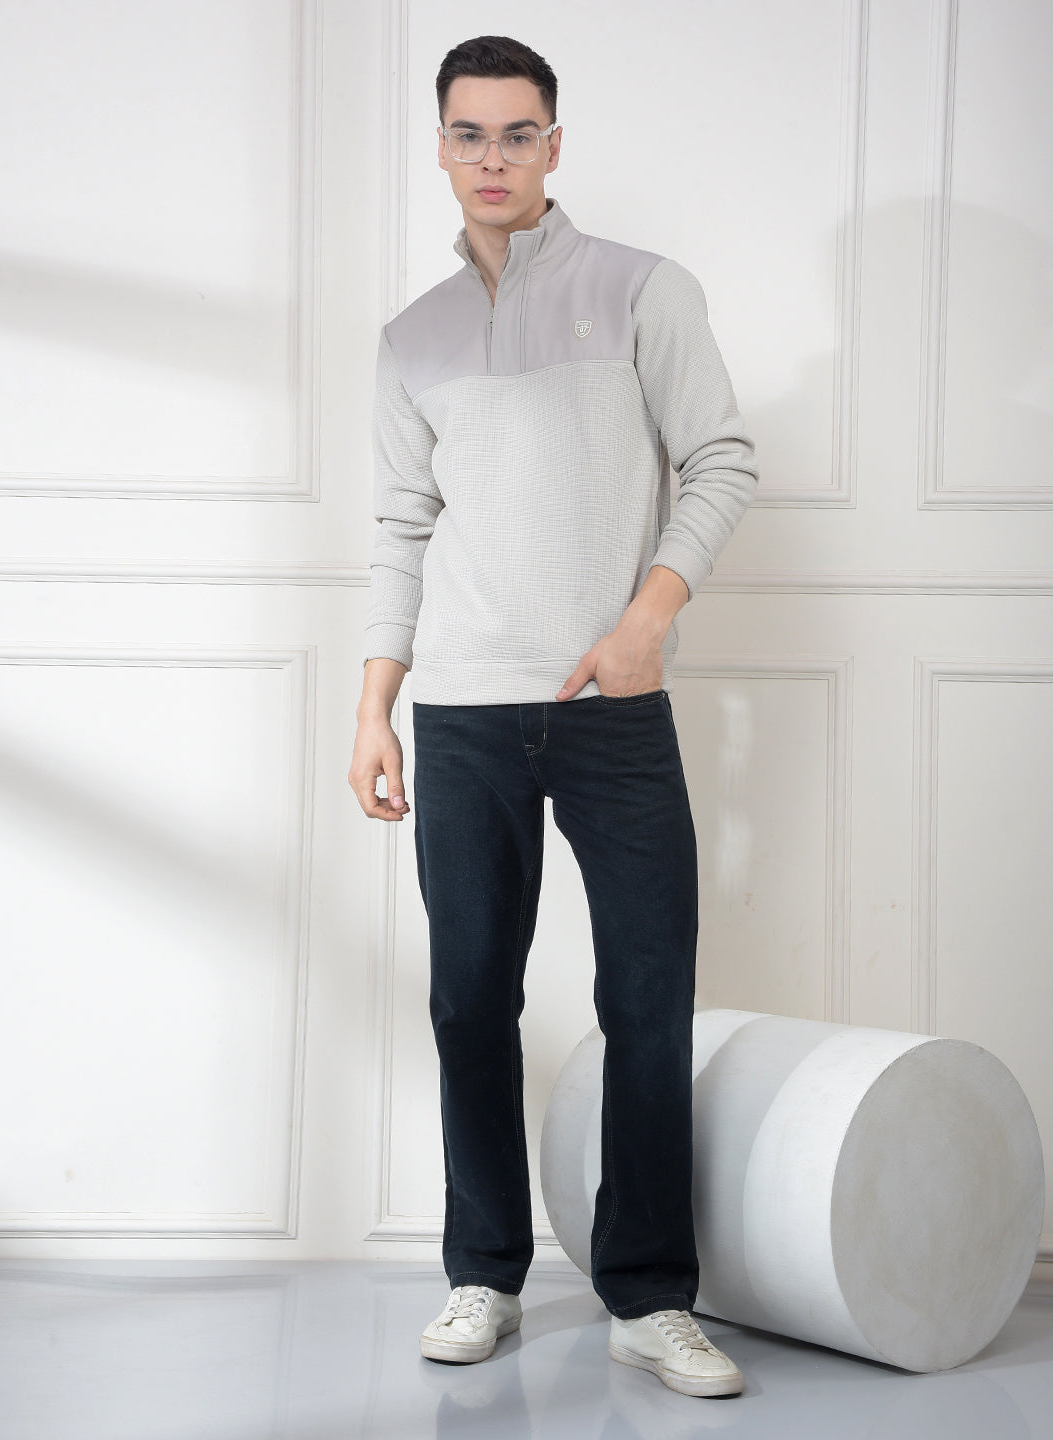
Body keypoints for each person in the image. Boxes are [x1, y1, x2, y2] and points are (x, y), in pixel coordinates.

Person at [348, 35, 757, 1400]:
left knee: (646, 994)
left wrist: (647, 621)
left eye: (518, 134)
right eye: (469, 134)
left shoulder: (641, 289)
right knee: (470, 995)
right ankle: (483, 1271)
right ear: (442, 147)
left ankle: (650, 1296)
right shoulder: (410, 338)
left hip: (611, 702)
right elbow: (401, 528)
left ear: (555, 144)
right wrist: (375, 707)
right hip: (462, 711)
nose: (494, 159)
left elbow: (720, 458)